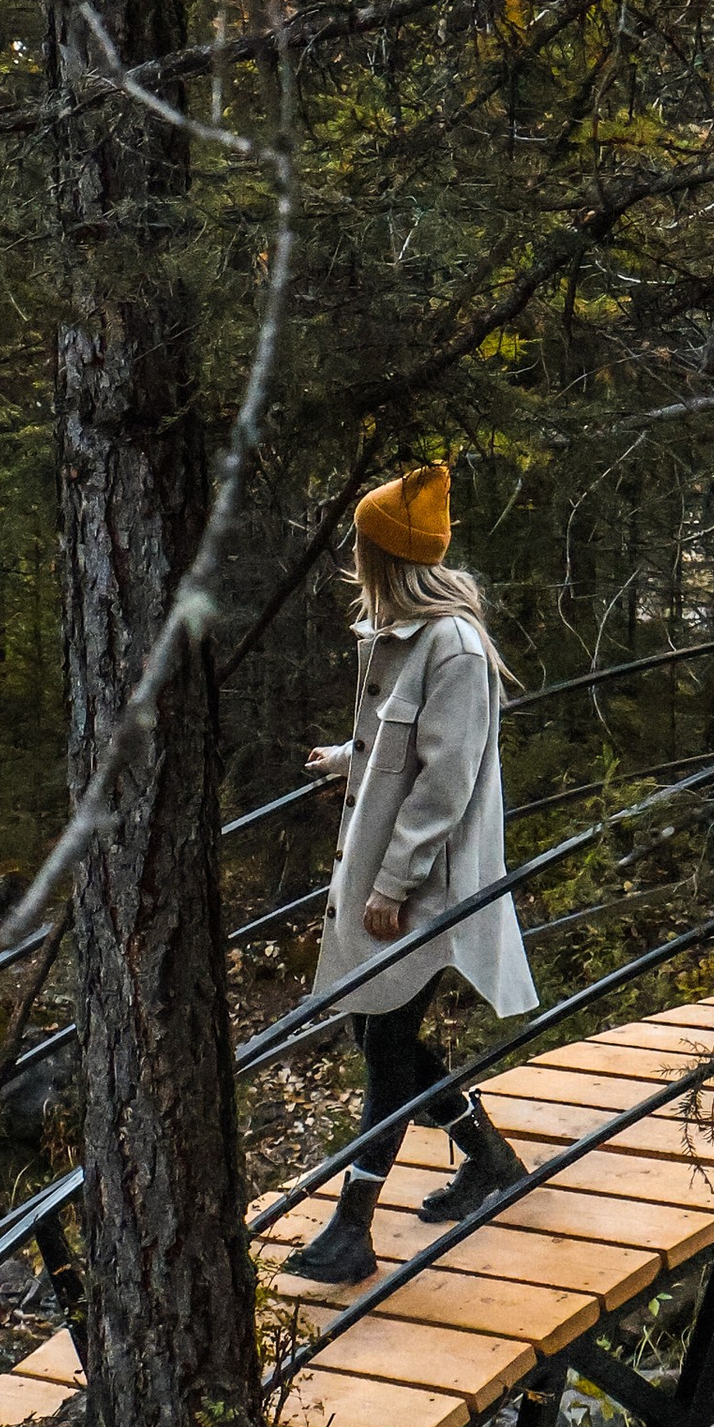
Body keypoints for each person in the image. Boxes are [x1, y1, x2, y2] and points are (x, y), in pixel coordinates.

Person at [281, 462, 539, 1289]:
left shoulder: (453, 648)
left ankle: (353, 1225)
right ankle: (489, 1159)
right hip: (391, 876)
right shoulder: (397, 637)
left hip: (425, 882)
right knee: (372, 1029)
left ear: (382, 555)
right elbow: (397, 745)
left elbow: (444, 780)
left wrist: (393, 884)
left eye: (362, 545)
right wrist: (342, 758)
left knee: (385, 1038)